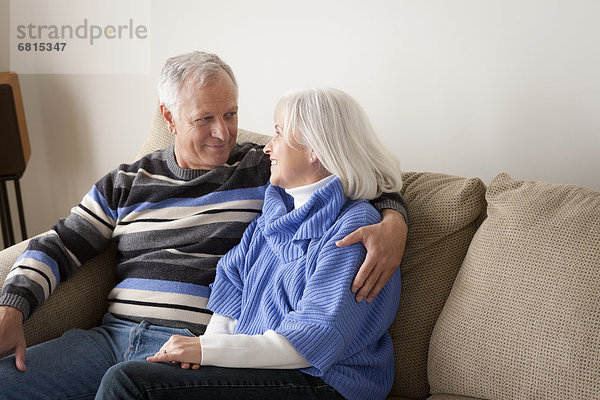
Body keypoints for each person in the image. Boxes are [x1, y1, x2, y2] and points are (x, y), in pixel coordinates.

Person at [0, 52, 407, 399]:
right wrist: (12, 308)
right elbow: (58, 244)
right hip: (111, 337)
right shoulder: (126, 182)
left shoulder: (263, 171)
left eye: (231, 114)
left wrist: (394, 222)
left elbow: (351, 174)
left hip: (200, 346)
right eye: (204, 118)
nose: (223, 132)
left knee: (127, 385)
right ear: (169, 117)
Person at [94, 87, 404, 400]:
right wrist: (205, 356)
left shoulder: (356, 229)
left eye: (279, 134)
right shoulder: (271, 217)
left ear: (315, 149)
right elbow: (231, 285)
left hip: (326, 382)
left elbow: (311, 341)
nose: (269, 147)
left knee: (128, 382)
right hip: (259, 369)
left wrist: (207, 350)